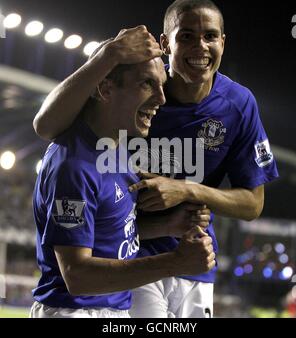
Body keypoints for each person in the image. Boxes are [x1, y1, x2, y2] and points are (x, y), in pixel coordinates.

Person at [33, 0, 279, 318]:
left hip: (191, 252)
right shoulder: (130, 93)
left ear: (223, 42)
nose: (200, 47)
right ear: (166, 43)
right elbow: (48, 127)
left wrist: (187, 191)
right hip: (130, 266)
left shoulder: (239, 104)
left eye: (210, 36)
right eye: (186, 36)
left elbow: (253, 204)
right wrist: (108, 55)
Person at [30, 27, 215, 318]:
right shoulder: (75, 165)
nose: (161, 99)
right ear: (105, 88)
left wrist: (169, 226)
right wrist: (175, 263)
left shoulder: (113, 151)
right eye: (147, 84)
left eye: (162, 85)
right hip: (74, 312)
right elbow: (77, 275)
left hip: (110, 311)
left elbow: (103, 236)